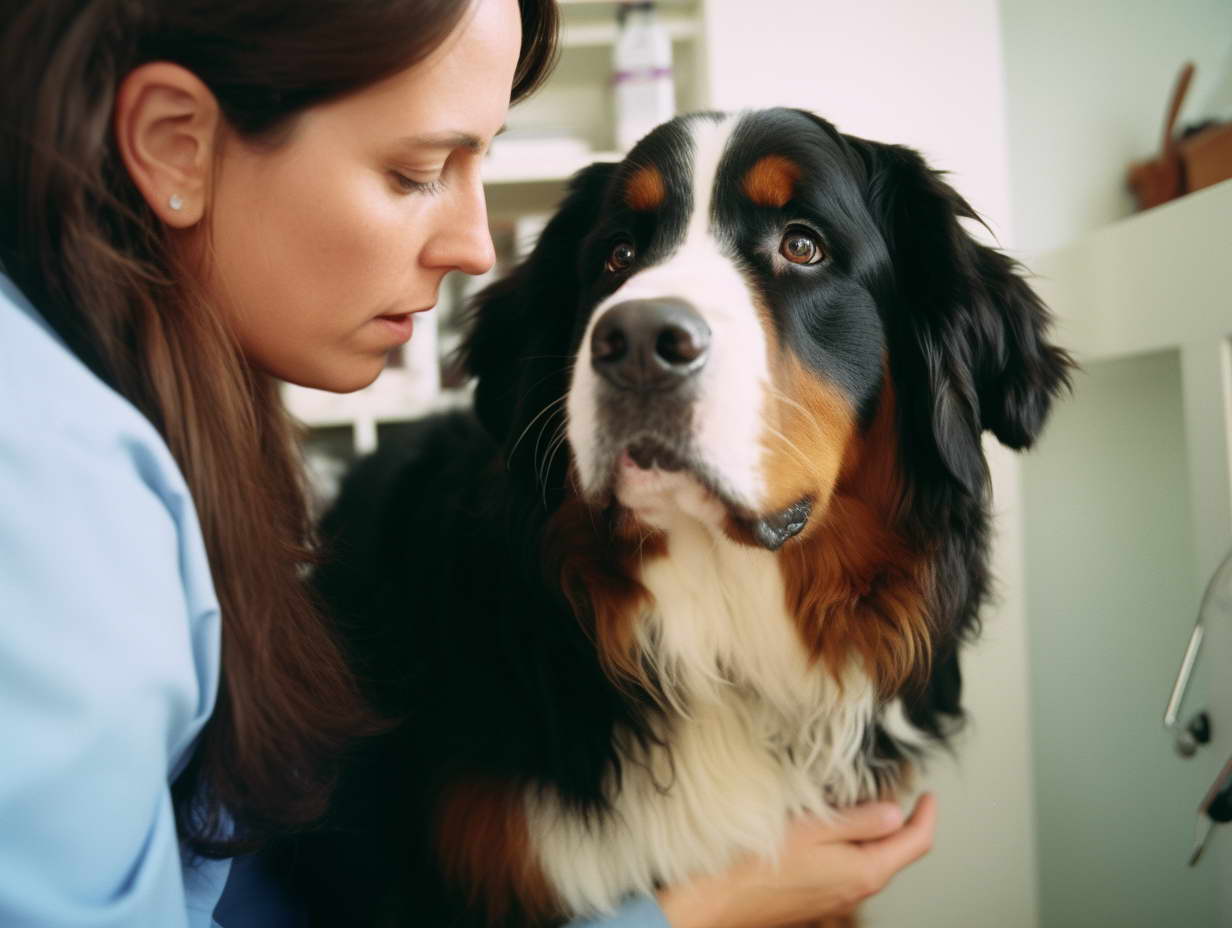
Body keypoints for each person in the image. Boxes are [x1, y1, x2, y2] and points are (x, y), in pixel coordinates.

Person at [0, 1, 937, 925]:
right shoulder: (46, 485)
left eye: (800, 245)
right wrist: (692, 916)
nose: (476, 246)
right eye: (416, 170)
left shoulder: (138, 425)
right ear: (175, 145)